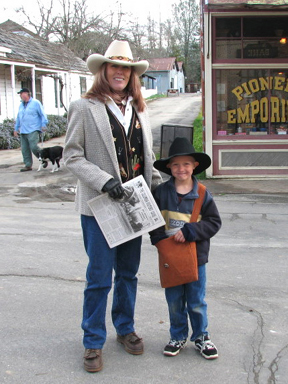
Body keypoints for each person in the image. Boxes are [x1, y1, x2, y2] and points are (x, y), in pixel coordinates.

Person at [63, 40, 162, 373]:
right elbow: (71, 156)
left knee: (129, 274)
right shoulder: (84, 107)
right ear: (104, 70)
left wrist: (164, 189)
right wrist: (104, 180)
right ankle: (92, 341)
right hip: (99, 206)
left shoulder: (139, 109)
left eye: (126, 68)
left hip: (134, 205)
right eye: (114, 66)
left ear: (132, 74)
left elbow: (144, 158)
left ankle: (124, 327)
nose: (120, 72)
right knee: (99, 277)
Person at [150, 137, 222, 360]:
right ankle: (178, 336)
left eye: (186, 164)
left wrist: (191, 231)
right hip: (170, 258)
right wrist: (159, 240)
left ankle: (201, 336)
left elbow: (213, 222)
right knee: (174, 300)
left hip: (196, 258)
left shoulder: (202, 193)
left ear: (195, 166)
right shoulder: (161, 193)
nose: (181, 169)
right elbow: (152, 221)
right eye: (176, 164)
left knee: (196, 300)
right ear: (169, 167)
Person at [13, 88, 48, 172]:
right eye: (20, 94)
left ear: (27, 94)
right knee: (24, 149)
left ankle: (43, 158)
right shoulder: (21, 105)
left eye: (22, 94)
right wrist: (16, 128)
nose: (21, 96)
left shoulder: (36, 103)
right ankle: (28, 165)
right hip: (23, 130)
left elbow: (43, 114)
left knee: (33, 147)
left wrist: (43, 124)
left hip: (33, 129)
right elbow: (18, 118)